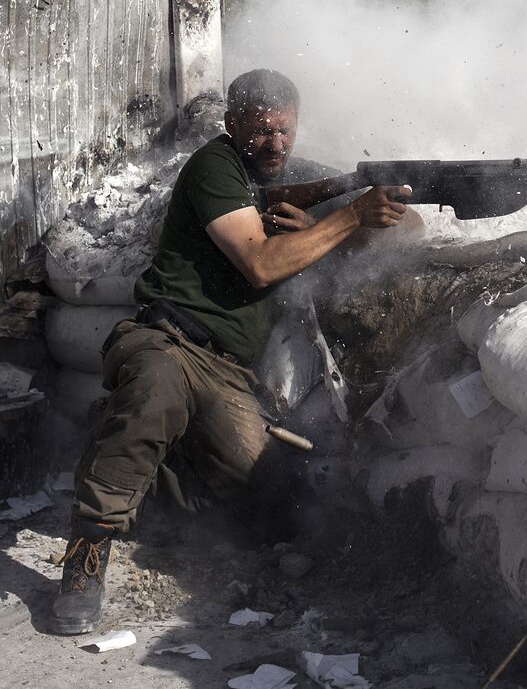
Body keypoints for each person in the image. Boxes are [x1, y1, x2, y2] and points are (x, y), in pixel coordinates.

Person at [50, 69, 418, 636]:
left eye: (285, 131)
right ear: (231, 124)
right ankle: (87, 551)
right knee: (153, 392)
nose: (275, 144)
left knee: (267, 511)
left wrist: (329, 221)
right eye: (261, 131)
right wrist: (346, 218)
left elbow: (409, 226)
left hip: (228, 371)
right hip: (167, 340)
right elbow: (260, 264)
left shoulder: (298, 176)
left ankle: (152, 467)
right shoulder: (214, 167)